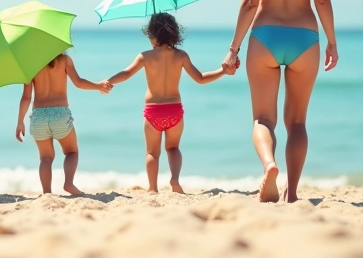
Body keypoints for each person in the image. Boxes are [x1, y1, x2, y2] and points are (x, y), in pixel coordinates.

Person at [223, 0, 338, 203]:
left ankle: (269, 165)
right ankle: (293, 193)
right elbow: (322, 0)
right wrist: (331, 41)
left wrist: (233, 49)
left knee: (263, 119)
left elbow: (249, 3)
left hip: (265, 37)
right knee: (297, 121)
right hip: (305, 38)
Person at [107, 13, 231, 194]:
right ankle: (174, 179)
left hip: (153, 112)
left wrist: (109, 81)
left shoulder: (145, 56)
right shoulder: (181, 56)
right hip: (174, 111)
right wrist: (223, 71)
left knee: (152, 153)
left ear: (153, 35)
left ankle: (152, 188)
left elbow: (126, 73)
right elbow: (200, 78)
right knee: (173, 148)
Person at [15, 53, 112, 195]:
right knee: (71, 152)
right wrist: (99, 86)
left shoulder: (30, 65)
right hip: (59, 114)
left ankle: (47, 193)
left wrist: (20, 121)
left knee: (45, 158)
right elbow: (78, 82)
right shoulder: (64, 60)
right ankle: (68, 183)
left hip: (39, 116)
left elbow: (26, 97)